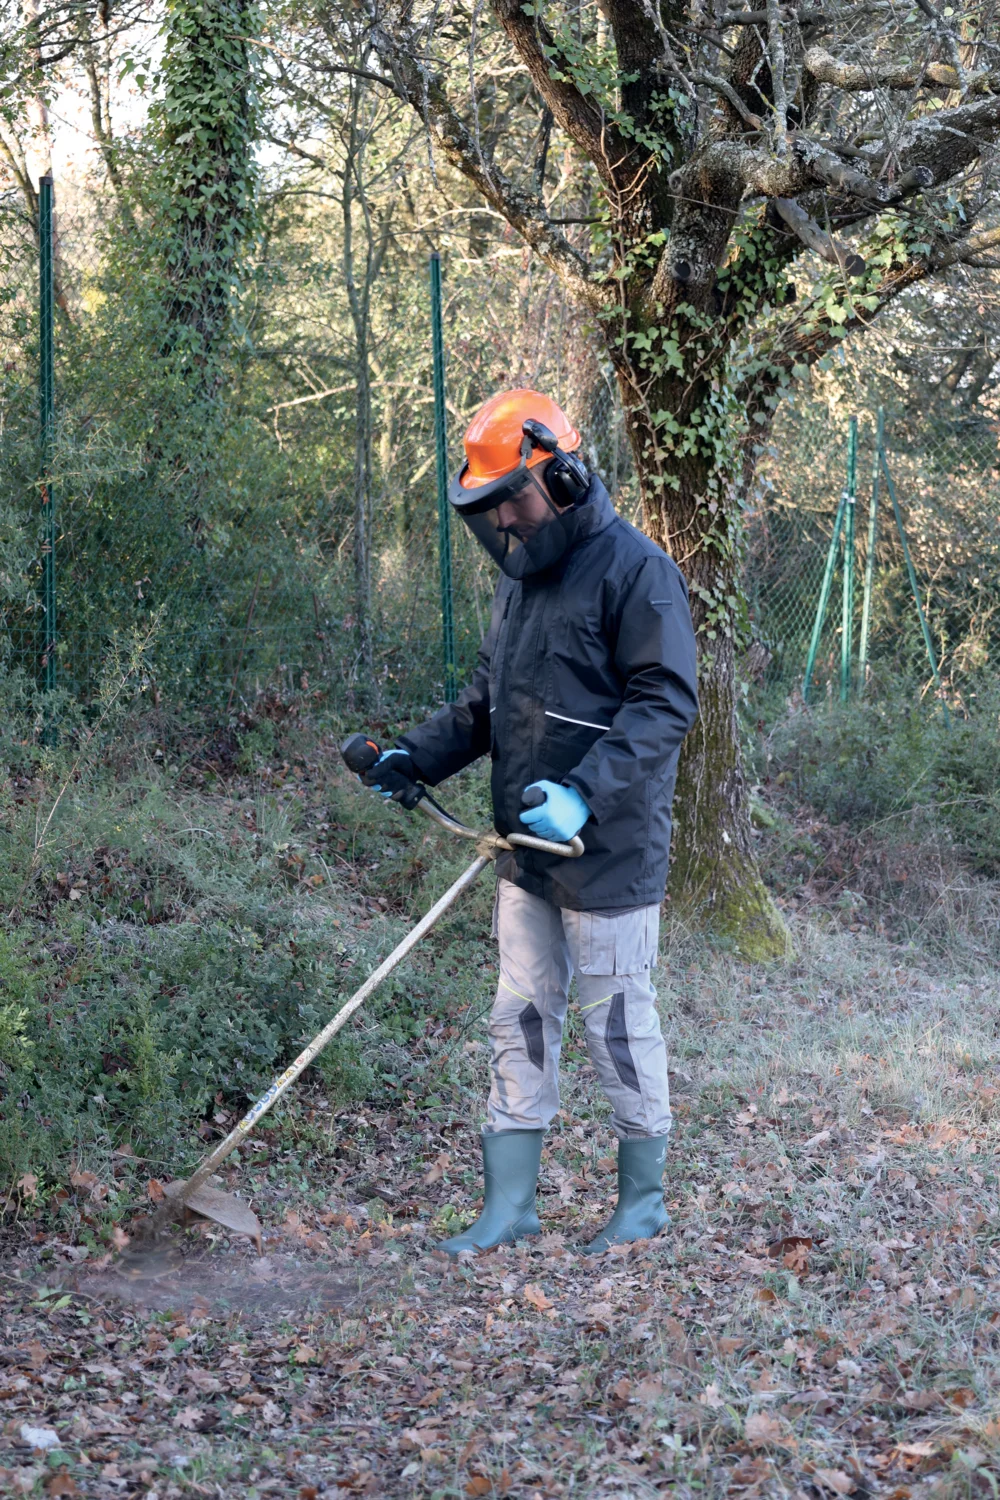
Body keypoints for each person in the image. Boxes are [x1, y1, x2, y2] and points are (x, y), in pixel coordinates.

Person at [357, 389, 698, 1254]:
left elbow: (664, 704)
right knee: (521, 1014)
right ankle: (510, 1207)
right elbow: (486, 704)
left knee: (616, 1020)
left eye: (514, 496)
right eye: (491, 505)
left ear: (566, 475)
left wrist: (586, 790)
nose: (504, 519)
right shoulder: (520, 586)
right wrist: (415, 757)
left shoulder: (637, 571)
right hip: (524, 851)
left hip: (607, 849)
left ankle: (643, 1202)